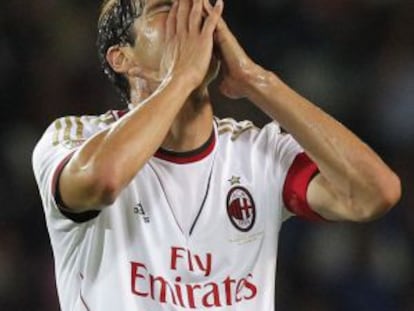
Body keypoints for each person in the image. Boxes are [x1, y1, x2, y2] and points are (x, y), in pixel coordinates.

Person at [32, 0, 401, 310]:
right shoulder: (76, 137)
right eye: (166, 8)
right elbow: (103, 181)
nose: (192, 17)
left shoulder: (257, 152)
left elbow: (374, 193)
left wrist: (257, 81)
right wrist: (181, 77)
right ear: (121, 58)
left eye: (197, 5)